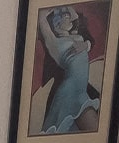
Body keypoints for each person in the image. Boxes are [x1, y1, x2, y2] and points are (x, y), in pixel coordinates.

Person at [36, 5, 101, 135]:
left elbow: (76, 19)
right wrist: (43, 14)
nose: (70, 18)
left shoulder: (77, 37)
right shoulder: (55, 44)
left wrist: (86, 45)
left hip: (80, 93)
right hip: (70, 94)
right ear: (57, 26)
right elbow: (43, 24)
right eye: (66, 18)